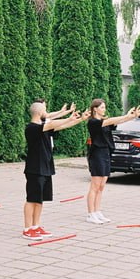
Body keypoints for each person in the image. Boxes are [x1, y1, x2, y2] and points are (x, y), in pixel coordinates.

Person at [22, 101, 89, 241]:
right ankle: (27, 229)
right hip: (35, 168)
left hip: (45, 167)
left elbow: (62, 125)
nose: (47, 112)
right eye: (45, 110)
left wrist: (80, 119)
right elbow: (53, 123)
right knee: (32, 199)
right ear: (39, 112)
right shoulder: (32, 128)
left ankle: (36, 226)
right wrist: (69, 117)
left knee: (39, 200)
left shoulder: (44, 127)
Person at [86, 100, 140, 224]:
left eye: (104, 107)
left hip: (106, 153)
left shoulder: (105, 121)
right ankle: (90, 214)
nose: (104, 109)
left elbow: (118, 121)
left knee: (101, 186)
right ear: (95, 109)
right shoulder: (93, 122)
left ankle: (97, 211)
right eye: (102, 107)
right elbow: (112, 120)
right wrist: (127, 115)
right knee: (95, 186)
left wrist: (131, 116)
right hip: (97, 154)